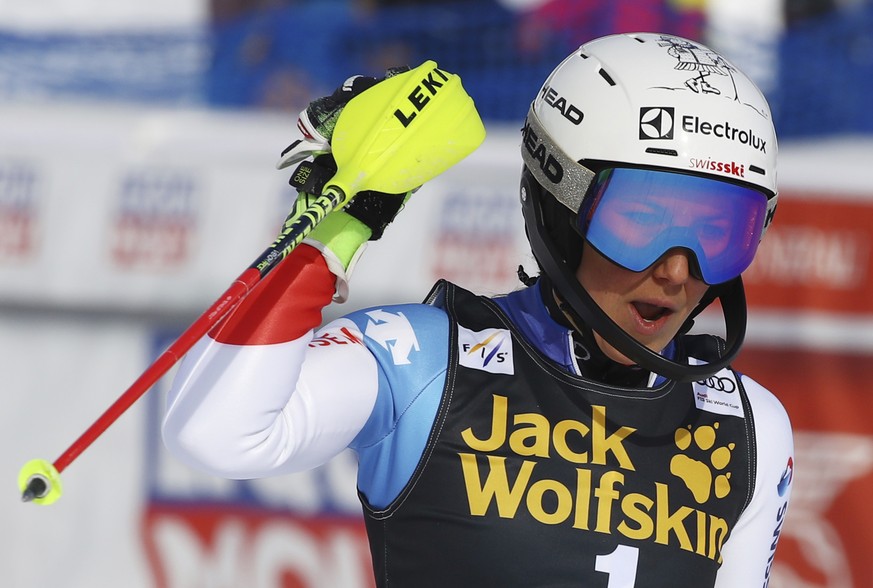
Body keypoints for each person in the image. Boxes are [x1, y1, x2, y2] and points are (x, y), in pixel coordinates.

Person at [163, 32, 794, 587]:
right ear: (561, 204)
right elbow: (214, 433)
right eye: (642, 220)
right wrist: (333, 230)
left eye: (719, 232)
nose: (677, 271)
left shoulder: (749, 426)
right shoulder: (424, 363)